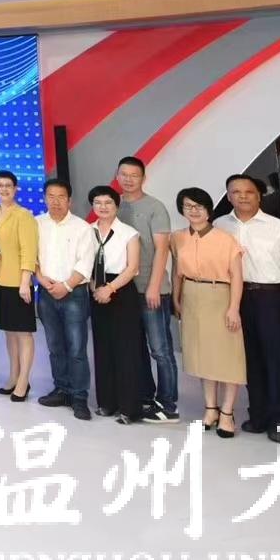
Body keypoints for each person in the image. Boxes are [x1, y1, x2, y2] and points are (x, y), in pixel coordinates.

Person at [216, 173, 280, 441]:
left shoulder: (279, 227)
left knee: (277, 359)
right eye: (236, 192)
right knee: (249, 358)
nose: (242, 197)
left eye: (248, 192)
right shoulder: (220, 225)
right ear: (228, 196)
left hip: (272, 297)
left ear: (259, 195)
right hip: (237, 297)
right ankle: (259, 415)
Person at [173, 187, 245, 438]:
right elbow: (177, 272)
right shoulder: (178, 238)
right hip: (192, 297)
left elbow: (237, 276)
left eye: (199, 206)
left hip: (220, 296)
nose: (193, 211)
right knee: (202, 356)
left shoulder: (225, 239)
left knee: (228, 356)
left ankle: (227, 413)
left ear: (208, 210)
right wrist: (176, 299)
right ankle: (210, 409)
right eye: (188, 206)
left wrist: (234, 308)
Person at [116, 155, 180, 423]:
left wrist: (154, 286)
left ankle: (168, 405)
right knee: (136, 348)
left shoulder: (155, 207)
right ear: (117, 176)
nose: (128, 179)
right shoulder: (114, 205)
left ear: (144, 178)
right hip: (125, 290)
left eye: (134, 175)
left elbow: (162, 249)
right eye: (124, 174)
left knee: (160, 350)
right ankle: (144, 397)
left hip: (151, 290)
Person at [35, 178, 96, 420]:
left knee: (77, 348)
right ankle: (61, 389)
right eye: (51, 196)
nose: (56, 201)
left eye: (61, 197)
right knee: (55, 346)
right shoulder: (37, 224)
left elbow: (86, 262)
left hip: (74, 294)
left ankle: (79, 397)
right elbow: (31, 257)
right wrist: (42, 280)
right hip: (46, 292)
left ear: (69, 200)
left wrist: (67, 285)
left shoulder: (82, 227)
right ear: (44, 198)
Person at [87, 185, 147, 424]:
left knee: (126, 349)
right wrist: (95, 287)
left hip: (121, 290)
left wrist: (109, 289)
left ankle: (129, 407)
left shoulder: (129, 233)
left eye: (108, 202)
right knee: (102, 347)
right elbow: (84, 262)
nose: (103, 207)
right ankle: (106, 402)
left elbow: (132, 268)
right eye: (98, 203)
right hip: (95, 289)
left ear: (117, 206)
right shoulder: (88, 231)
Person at [0, 170, 39, 402]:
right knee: (9, 332)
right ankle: (13, 376)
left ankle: (23, 381)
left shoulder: (23, 215)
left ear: (16, 188)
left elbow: (29, 251)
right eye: (0, 185)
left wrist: (25, 282)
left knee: (23, 333)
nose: (4, 189)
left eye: (8, 185)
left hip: (18, 282)